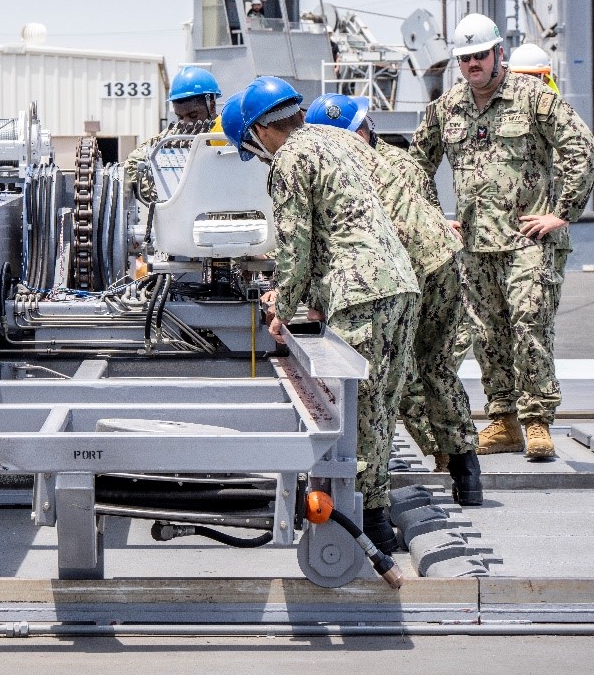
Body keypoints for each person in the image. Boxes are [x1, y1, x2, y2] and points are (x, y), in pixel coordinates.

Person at [224, 77, 420, 555]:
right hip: (401, 283)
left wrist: (282, 311)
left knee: (354, 415)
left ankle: (362, 532)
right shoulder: (338, 139)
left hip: (358, 294)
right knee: (382, 409)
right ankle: (376, 523)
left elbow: (296, 248)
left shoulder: (288, 160)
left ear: (259, 133)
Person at [410, 13, 594, 461]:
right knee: (487, 335)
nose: (473, 64)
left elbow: (583, 150)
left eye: (480, 55)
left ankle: (537, 421)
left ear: (499, 54)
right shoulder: (447, 108)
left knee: (529, 324)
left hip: (527, 242)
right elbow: (414, 165)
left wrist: (562, 213)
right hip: (475, 246)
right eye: (465, 58)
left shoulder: (533, 98)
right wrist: (435, 218)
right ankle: (503, 420)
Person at [306, 94, 482, 505]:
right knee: (437, 367)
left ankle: (375, 491)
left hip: (404, 273)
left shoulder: (348, 170)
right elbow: (432, 216)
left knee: (386, 381)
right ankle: (465, 470)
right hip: (443, 262)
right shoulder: (403, 162)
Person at [123, 65, 220, 205]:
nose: (186, 123)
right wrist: (158, 199)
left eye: (193, 115)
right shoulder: (171, 135)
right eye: (180, 117)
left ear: (211, 106)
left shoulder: (228, 131)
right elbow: (133, 161)